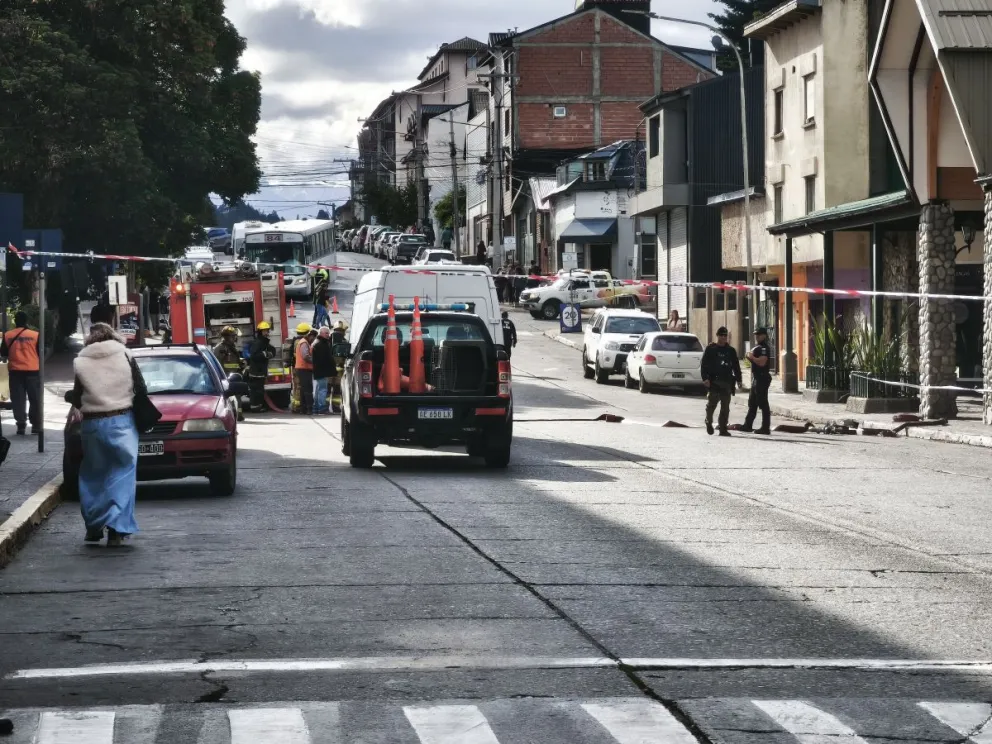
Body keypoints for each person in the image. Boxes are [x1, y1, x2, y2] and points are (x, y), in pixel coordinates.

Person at [69, 323, 145, 546]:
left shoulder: (81, 360)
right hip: (122, 420)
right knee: (122, 473)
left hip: (92, 424)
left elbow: (77, 395)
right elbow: (140, 387)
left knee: (93, 475)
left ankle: (93, 527)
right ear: (113, 336)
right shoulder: (125, 355)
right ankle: (116, 528)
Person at [0, 311, 41, 435]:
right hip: (33, 371)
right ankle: (36, 425)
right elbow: (40, 352)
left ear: (15, 321)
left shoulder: (7, 335)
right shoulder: (35, 335)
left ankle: (21, 425)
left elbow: (3, 354)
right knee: (35, 399)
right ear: (26, 321)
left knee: (18, 399)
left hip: (15, 371)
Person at [701, 326, 742, 437]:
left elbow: (736, 366)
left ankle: (723, 428)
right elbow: (704, 365)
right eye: (721, 335)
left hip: (726, 382)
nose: (724, 337)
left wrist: (739, 379)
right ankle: (708, 422)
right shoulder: (711, 349)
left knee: (725, 407)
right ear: (717, 336)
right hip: (713, 382)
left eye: (725, 336)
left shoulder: (731, 351)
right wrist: (705, 379)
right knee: (711, 405)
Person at [740, 327, 772, 435]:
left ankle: (765, 427)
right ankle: (747, 425)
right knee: (752, 403)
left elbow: (762, 362)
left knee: (762, 403)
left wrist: (751, 357)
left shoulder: (763, 348)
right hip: (756, 378)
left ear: (764, 335)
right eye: (756, 334)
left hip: (762, 378)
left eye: (759, 334)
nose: (757, 336)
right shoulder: (757, 347)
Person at [247, 322, 275, 412]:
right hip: (256, 372)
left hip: (260, 371)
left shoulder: (264, 342)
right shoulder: (258, 342)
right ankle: (255, 407)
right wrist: (265, 354)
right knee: (256, 391)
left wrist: (270, 353)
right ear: (260, 332)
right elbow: (254, 356)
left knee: (259, 390)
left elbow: (272, 350)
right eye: (265, 331)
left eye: (267, 331)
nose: (267, 333)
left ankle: (258, 406)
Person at [311, 326, 335, 415]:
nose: (328, 335)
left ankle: (316, 408)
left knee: (318, 389)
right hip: (321, 370)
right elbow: (324, 359)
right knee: (322, 390)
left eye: (328, 333)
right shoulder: (321, 344)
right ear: (321, 333)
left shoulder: (318, 343)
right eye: (326, 333)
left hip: (318, 370)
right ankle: (321, 408)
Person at [294, 325, 316, 415]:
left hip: (302, 369)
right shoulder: (304, 343)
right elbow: (306, 356)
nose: (313, 339)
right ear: (309, 335)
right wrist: (316, 362)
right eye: (313, 337)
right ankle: (309, 409)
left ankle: (303, 409)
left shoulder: (304, 342)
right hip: (304, 369)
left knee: (304, 390)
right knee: (308, 389)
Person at [329, 320, 349, 413]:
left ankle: (324, 407)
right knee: (337, 390)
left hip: (328, 371)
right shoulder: (344, 342)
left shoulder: (327, 340)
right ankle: (336, 407)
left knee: (327, 389)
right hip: (339, 371)